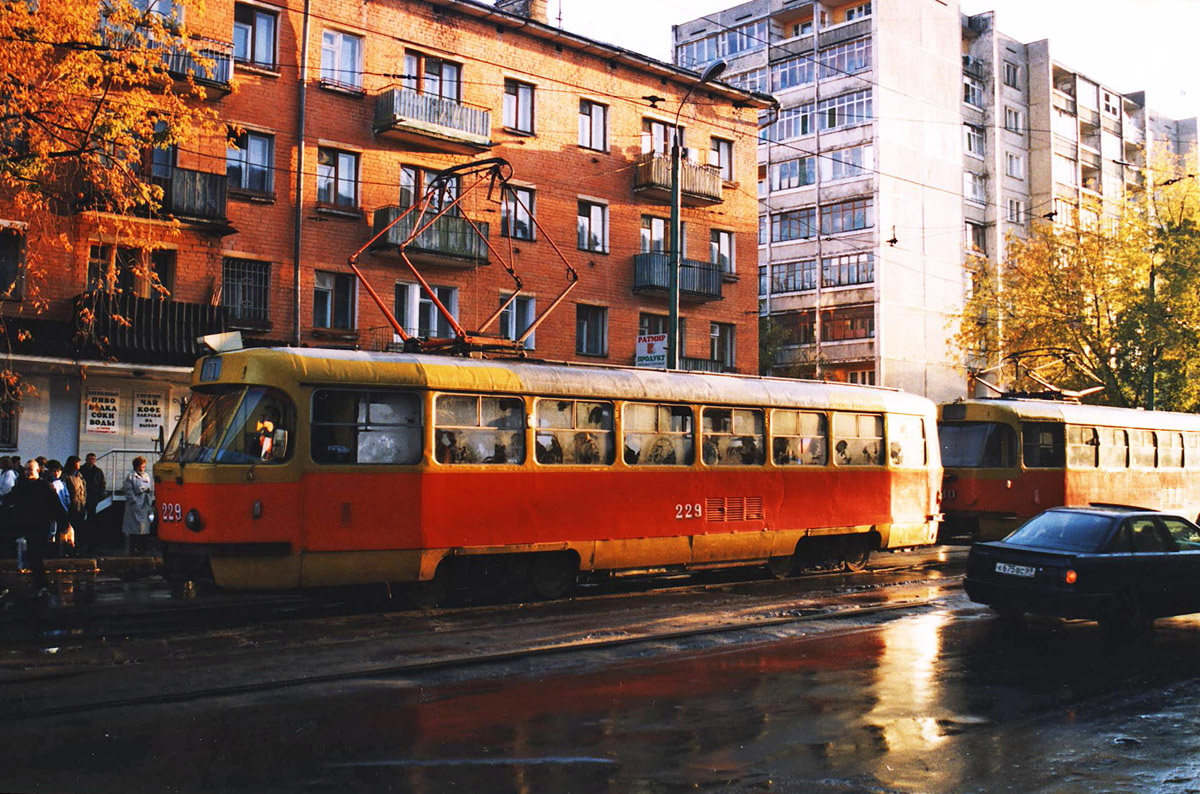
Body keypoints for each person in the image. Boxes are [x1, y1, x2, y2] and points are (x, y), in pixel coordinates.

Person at [4, 459, 71, 594]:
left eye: (31, 469)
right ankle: (37, 584)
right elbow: (10, 499)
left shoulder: (44, 486)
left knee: (35, 555)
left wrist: (64, 524)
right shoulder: (21, 484)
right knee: (27, 553)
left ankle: (41, 585)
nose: (28, 472)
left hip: (39, 525)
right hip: (24, 523)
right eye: (27, 469)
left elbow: (56, 506)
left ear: (37, 471)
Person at [122, 456, 155, 555]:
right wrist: (135, 501)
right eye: (141, 465)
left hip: (145, 504)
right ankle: (133, 549)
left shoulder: (146, 476)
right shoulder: (130, 476)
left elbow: (151, 489)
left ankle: (143, 549)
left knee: (144, 528)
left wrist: (149, 499)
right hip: (135, 505)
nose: (143, 467)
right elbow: (128, 491)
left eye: (144, 465)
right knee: (134, 529)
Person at [80, 453, 107, 551]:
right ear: (86, 459)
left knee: (92, 521)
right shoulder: (81, 470)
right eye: (89, 459)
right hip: (82, 497)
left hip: (93, 498)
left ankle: (92, 544)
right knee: (82, 520)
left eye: (93, 459)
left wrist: (99, 494)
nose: (91, 461)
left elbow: (102, 484)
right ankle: (82, 542)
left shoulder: (98, 471)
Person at [62, 456, 88, 553]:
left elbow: (84, 490)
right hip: (71, 506)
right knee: (69, 530)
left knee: (79, 528)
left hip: (80, 505)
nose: (79, 465)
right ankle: (69, 549)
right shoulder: (66, 476)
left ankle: (78, 548)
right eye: (77, 463)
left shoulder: (80, 476)